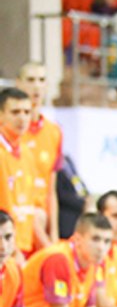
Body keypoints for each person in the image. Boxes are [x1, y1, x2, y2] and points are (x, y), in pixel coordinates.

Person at [16, 62, 63, 244]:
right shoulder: (8, 131)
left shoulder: (54, 132)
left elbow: (51, 190)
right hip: (16, 221)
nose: (36, 86)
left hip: (41, 220)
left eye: (41, 80)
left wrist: (54, 235)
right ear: (19, 83)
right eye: (30, 80)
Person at [0, 88, 45, 260]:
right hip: (6, 249)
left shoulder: (26, 153)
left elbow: (31, 206)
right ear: (1, 115)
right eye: (15, 112)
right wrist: (12, 249)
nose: (22, 118)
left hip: (25, 246)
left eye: (27, 112)